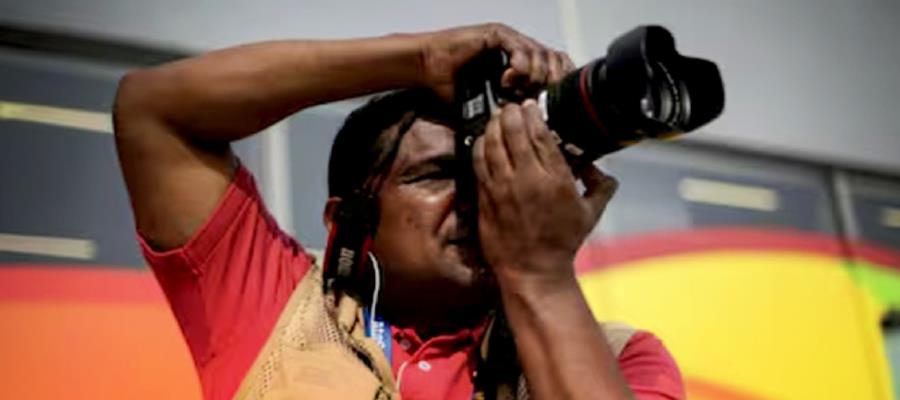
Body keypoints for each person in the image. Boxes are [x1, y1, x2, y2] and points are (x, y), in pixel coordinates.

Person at [113, 23, 684, 400]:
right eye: (438, 175)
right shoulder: (274, 307)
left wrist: (540, 277)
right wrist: (417, 58)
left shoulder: (623, 359)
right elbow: (154, 110)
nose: (481, 196)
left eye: (492, 171)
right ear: (349, 220)